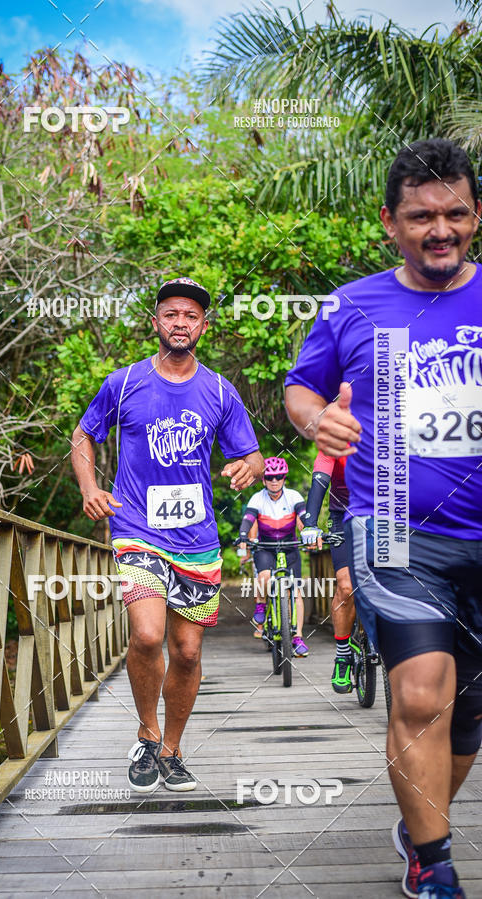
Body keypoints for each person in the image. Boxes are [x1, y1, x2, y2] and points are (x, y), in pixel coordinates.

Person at [285, 138, 481, 899]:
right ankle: (434, 866)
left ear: (475, 216)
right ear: (389, 223)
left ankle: (419, 821)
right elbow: (302, 390)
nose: (440, 229)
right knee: (423, 694)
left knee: (466, 716)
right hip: (392, 518)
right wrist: (313, 424)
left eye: (455, 213)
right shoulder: (353, 304)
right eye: (421, 216)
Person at [71, 276, 264, 794]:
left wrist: (249, 466)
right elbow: (84, 435)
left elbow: (249, 453)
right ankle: (147, 732)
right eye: (171, 313)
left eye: (191, 315)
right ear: (155, 321)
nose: (181, 323)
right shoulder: (126, 382)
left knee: (187, 652)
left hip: (196, 538)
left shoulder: (220, 390)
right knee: (149, 635)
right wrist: (90, 487)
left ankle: (173, 749)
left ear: (204, 325)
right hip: (136, 527)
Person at [237, 457, 309, 656]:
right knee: (265, 578)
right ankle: (261, 605)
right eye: (270, 477)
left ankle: (297, 637)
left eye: (278, 477)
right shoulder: (257, 498)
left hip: (290, 546)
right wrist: (243, 536)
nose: (274, 481)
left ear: (284, 478)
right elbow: (248, 519)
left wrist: (309, 530)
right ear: (264, 480)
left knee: (295, 592)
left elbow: (303, 516)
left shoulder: (293, 496)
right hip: (265, 547)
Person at [301, 451, 355, 692]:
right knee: (345, 587)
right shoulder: (336, 438)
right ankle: (343, 656)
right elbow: (321, 478)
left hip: (385, 511)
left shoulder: (389, 431)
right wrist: (311, 523)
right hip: (343, 514)